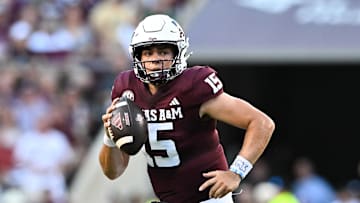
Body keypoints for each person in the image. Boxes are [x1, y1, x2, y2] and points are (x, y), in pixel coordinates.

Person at [99, 14, 275, 203]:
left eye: (163, 52)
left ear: (178, 53)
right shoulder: (127, 88)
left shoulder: (193, 86)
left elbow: (262, 123)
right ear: (138, 56)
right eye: (148, 53)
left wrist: (236, 173)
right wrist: (110, 135)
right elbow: (113, 172)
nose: (155, 60)